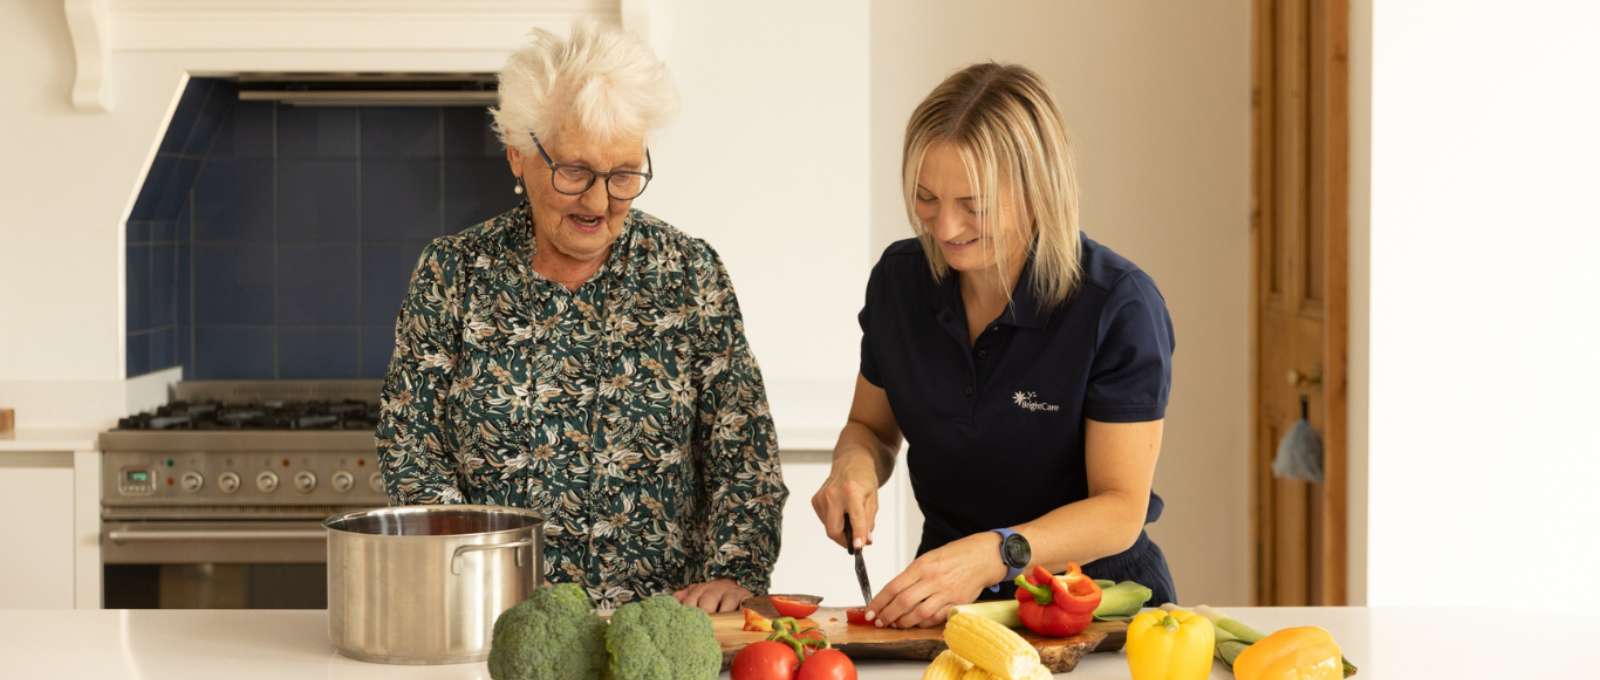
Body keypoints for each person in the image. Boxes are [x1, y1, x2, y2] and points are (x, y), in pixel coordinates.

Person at [376, 21, 787, 613]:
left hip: (662, 627)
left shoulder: (688, 273)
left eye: (623, 175)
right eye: (574, 172)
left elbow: (742, 446)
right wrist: (471, 571)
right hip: (497, 619)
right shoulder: (453, 273)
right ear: (519, 154)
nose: (599, 202)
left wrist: (735, 570)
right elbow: (411, 443)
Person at [812, 62, 1178, 628]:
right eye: (926, 197)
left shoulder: (1117, 305)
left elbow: (1119, 509)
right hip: (950, 604)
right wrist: (852, 470)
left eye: (974, 205)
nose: (945, 228)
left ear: (1040, 191)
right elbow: (872, 429)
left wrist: (993, 556)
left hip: (1095, 605)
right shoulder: (899, 282)